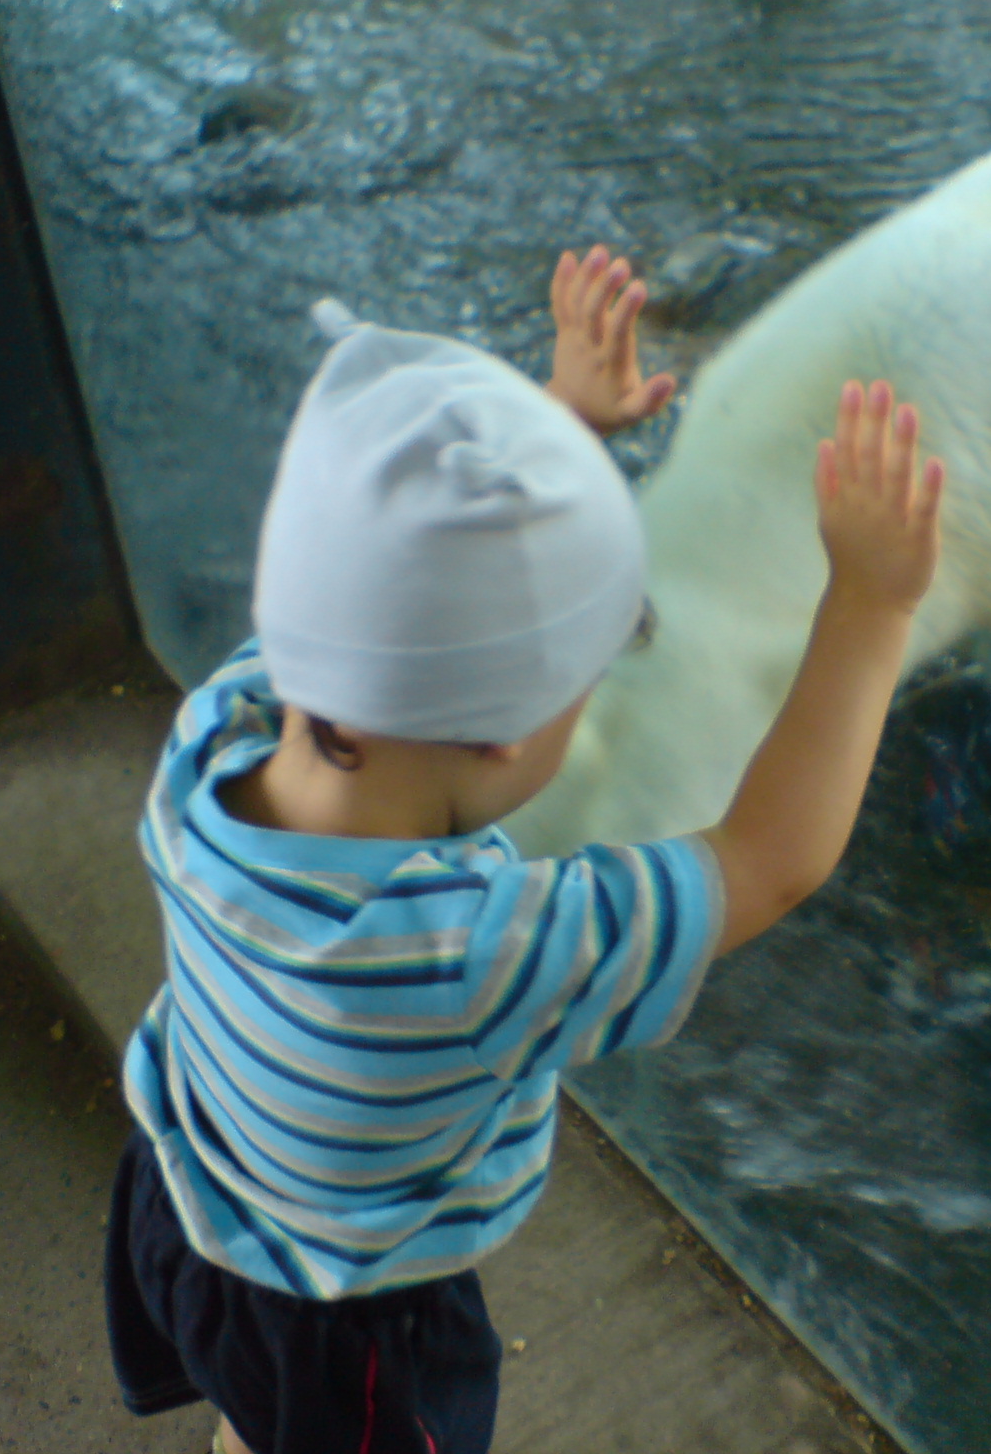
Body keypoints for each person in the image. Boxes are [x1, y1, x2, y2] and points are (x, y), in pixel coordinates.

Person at [102, 244, 945, 1454]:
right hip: (353, 1333)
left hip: (190, 1207)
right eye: (584, 685)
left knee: (260, 1417)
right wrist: (871, 608)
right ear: (500, 736)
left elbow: (389, 585)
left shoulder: (219, 733)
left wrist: (550, 435)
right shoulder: (470, 962)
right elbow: (769, 858)